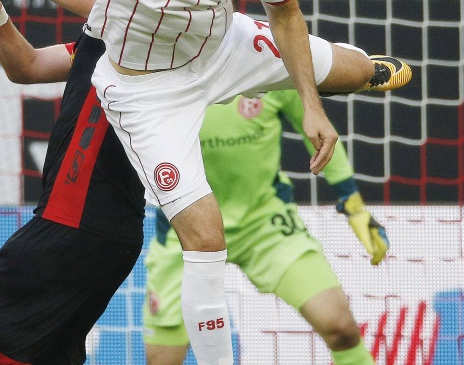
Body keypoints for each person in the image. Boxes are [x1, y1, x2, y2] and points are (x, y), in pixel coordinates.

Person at [0, 0, 411, 364]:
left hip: (222, 47)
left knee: (356, 70)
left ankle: (362, 70)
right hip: (148, 92)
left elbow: (286, 14)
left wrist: (312, 105)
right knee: (204, 237)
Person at [0, 0, 146, 365]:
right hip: (103, 232)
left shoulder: (142, 32)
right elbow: (27, 66)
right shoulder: (104, 44)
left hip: (70, 226)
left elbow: (117, 7)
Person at [143, 89, 387, 365]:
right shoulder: (161, 69)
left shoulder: (268, 62)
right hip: (185, 232)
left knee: (339, 325)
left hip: (263, 225)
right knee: (162, 361)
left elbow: (320, 131)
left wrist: (354, 206)